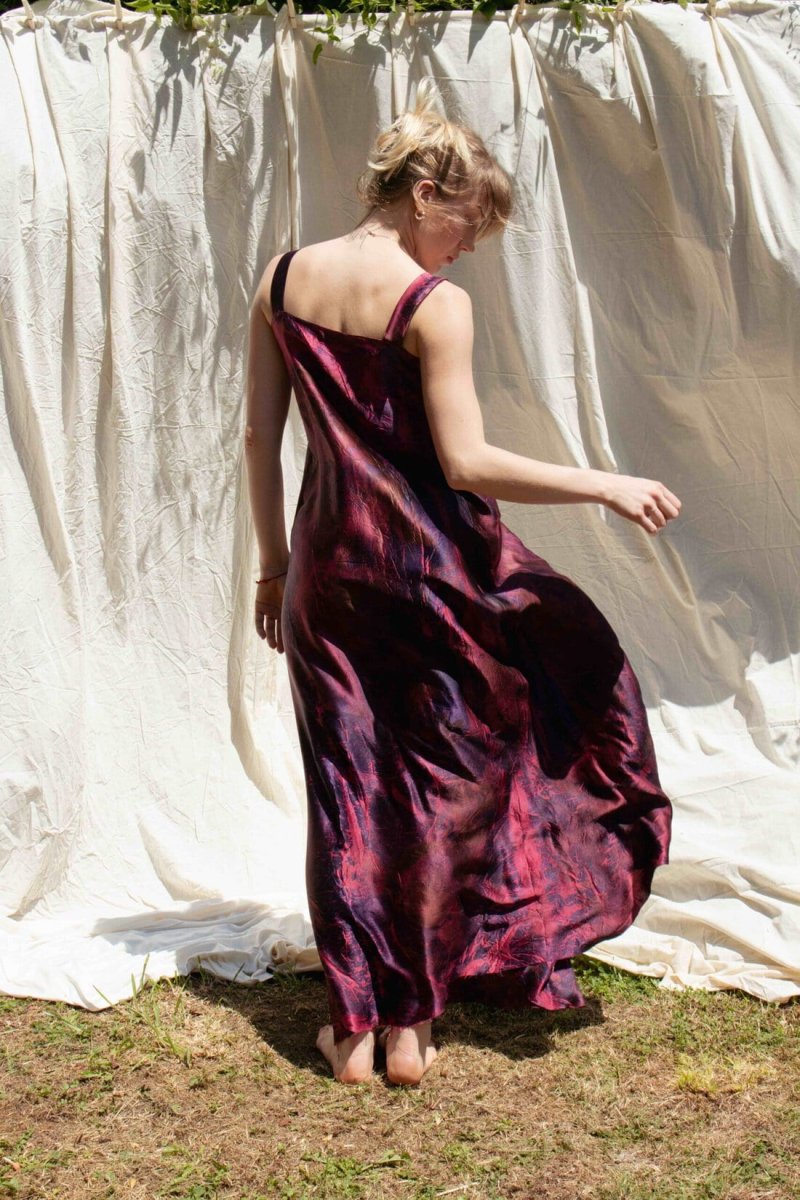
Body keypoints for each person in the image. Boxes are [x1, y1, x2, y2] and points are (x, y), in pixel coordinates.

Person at [244, 78, 680, 1088]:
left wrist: (272, 565)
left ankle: (352, 1029)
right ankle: (410, 1027)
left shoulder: (280, 278)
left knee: (348, 790)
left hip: (326, 573)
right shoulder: (432, 306)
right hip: (431, 575)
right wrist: (604, 482)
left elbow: (259, 439)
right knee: (444, 787)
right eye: (468, 222)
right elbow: (467, 462)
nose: (470, 246)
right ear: (426, 192)